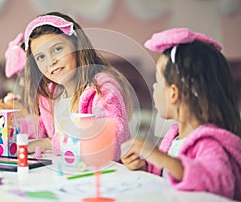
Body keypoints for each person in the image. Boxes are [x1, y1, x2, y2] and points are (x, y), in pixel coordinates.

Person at [121, 28, 241, 200]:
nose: (154, 87)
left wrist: (158, 156)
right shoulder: (174, 137)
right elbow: (168, 177)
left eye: (157, 81)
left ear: (173, 93)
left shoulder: (209, 144)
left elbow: (217, 183)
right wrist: (145, 167)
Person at [18, 12, 132, 161]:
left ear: (77, 46)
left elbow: (109, 141)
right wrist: (16, 128)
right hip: (69, 171)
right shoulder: (53, 94)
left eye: (57, 49)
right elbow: (45, 127)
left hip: (104, 175)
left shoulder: (103, 90)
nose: (51, 61)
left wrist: (50, 143)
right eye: (41, 57)